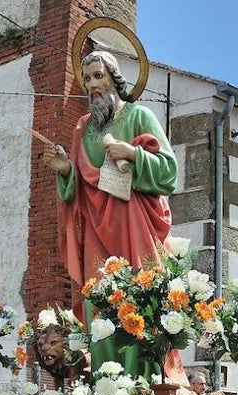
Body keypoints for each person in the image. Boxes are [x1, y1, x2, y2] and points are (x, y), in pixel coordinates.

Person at [41, 50, 177, 292]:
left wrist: (133, 153)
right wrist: (66, 171)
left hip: (134, 224)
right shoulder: (83, 129)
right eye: (87, 79)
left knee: (141, 297)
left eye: (98, 75)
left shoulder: (138, 115)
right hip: (95, 228)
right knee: (102, 299)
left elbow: (169, 172)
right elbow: (79, 186)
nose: (92, 85)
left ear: (113, 78)